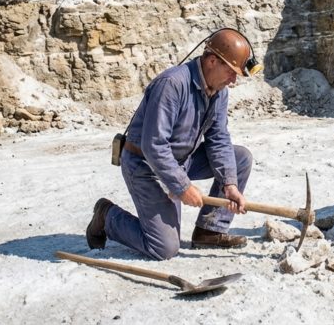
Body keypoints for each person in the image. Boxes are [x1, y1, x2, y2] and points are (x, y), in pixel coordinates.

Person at [85, 28, 259, 260]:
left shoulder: (219, 91)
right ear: (212, 61)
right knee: (164, 248)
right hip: (146, 165)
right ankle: (107, 217)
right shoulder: (172, 84)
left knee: (240, 158)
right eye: (231, 72)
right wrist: (182, 187)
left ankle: (209, 231)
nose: (233, 80)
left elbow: (219, 138)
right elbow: (154, 146)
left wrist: (230, 184)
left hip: (181, 161)